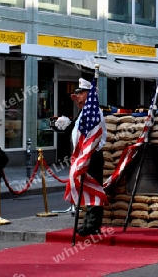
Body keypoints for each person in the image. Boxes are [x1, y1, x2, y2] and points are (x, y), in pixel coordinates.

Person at [67, 78, 107, 236]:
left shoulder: (94, 112)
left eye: (81, 93)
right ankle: (90, 223)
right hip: (83, 155)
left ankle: (92, 224)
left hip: (92, 154)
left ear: (90, 95)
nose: (78, 96)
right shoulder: (83, 111)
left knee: (93, 188)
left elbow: (93, 135)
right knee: (86, 189)